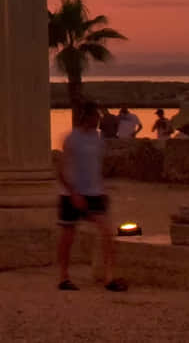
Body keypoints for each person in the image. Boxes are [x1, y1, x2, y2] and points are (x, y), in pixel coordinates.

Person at [56, 102, 125, 292]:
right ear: (85, 117)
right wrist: (73, 193)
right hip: (72, 194)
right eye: (94, 116)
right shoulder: (72, 139)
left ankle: (109, 277)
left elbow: (97, 166)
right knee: (68, 236)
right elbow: (61, 170)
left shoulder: (98, 138)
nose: (98, 119)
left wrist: (102, 189)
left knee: (107, 232)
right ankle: (64, 277)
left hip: (94, 193)